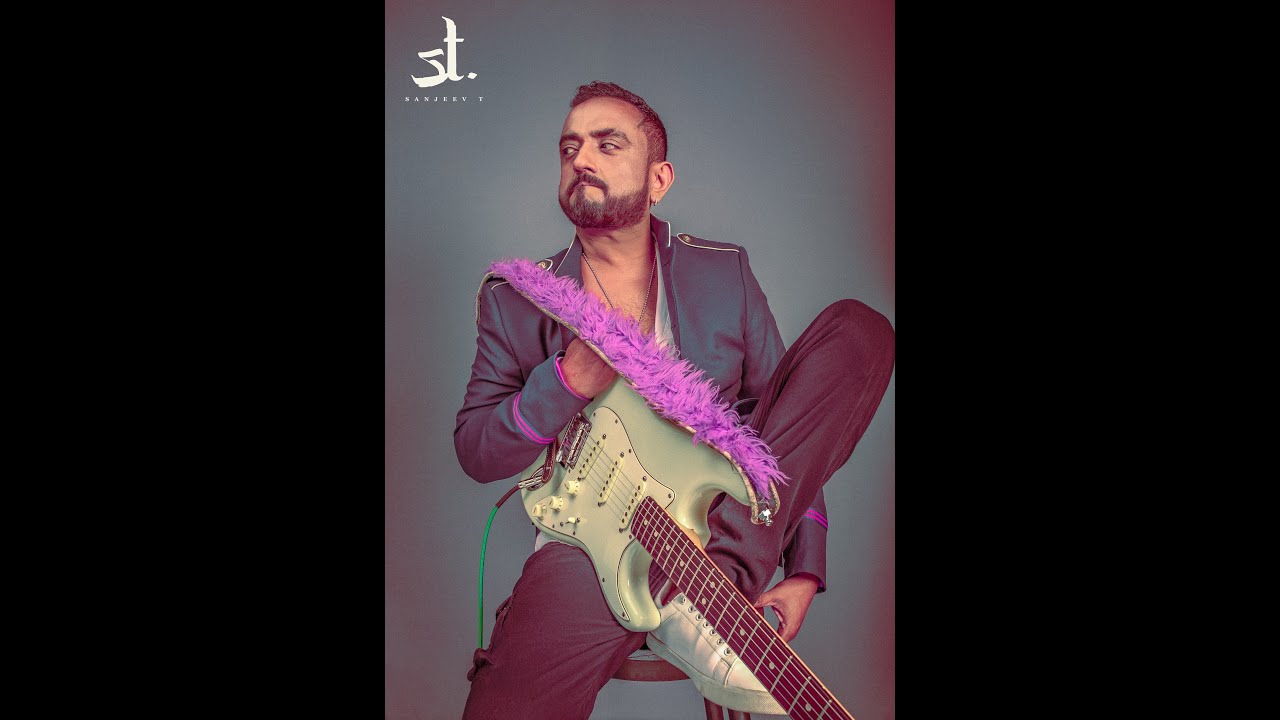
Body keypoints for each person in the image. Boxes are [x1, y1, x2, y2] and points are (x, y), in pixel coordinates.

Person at [454, 80, 895, 719]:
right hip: (593, 537)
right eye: (570, 148)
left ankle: (715, 584)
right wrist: (567, 380)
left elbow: (784, 430)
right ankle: (708, 607)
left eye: (608, 145)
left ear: (659, 179)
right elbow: (476, 449)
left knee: (860, 332)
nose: (582, 159)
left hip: (720, 522)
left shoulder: (723, 270)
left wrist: (804, 569)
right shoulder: (517, 298)